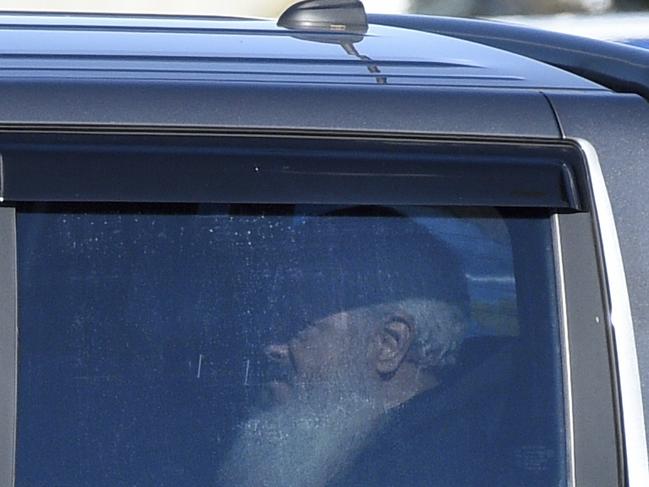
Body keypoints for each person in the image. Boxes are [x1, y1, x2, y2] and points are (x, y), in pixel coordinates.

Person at [217, 207, 475, 487]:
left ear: (388, 344)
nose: (270, 348)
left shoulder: (435, 471)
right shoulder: (359, 456)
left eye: (299, 325)